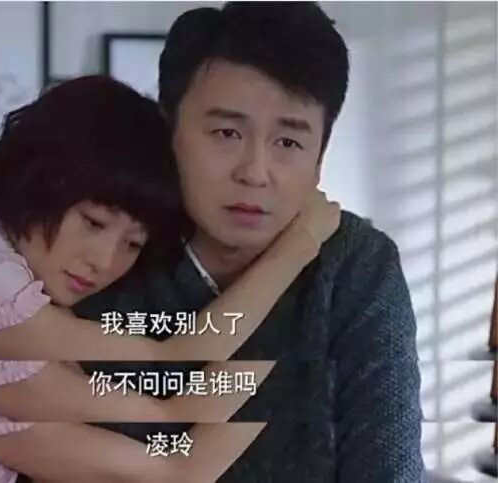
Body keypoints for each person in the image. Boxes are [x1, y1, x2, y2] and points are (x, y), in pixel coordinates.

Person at [0, 76, 339, 482]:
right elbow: (176, 371)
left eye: (132, 244)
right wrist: (300, 245)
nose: (103, 261)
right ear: (39, 179)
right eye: (93, 222)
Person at [65, 2, 424, 482]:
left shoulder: (358, 266)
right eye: (227, 132)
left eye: (288, 143)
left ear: (320, 156)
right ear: (168, 129)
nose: (254, 172)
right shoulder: (105, 251)